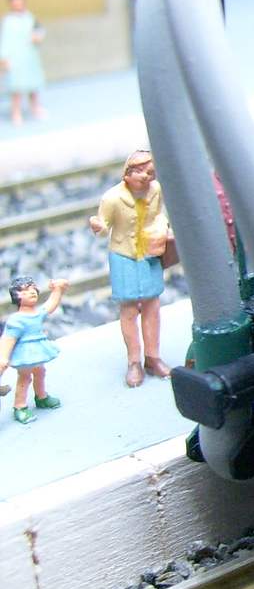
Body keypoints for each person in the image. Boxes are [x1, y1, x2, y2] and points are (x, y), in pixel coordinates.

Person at [88, 150, 174, 386]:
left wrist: (162, 229)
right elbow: (104, 228)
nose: (146, 177)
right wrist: (97, 226)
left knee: (152, 305)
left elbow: (158, 214)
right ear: (127, 173)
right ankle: (134, 361)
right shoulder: (112, 198)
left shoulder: (156, 190)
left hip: (150, 252)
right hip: (124, 255)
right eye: (141, 172)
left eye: (150, 173)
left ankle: (153, 357)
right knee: (128, 309)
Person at [0, 275, 68, 424]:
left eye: (33, 289)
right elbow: (8, 339)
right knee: (25, 378)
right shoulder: (16, 320)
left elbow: (50, 305)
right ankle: (20, 406)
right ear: (16, 296)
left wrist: (58, 290)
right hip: (24, 354)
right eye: (25, 291)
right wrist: (3, 357)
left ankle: (41, 397)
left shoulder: (36, 313)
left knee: (40, 372)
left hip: (38, 351)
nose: (31, 292)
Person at [0, 0, 46, 124]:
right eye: (15, 1)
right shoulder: (8, 21)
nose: (17, 3)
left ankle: (35, 107)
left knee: (33, 86)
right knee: (16, 88)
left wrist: (38, 37)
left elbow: (39, 30)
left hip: (29, 56)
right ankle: (16, 112)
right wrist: (4, 58)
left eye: (20, 0)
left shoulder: (30, 17)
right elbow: (5, 40)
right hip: (15, 58)